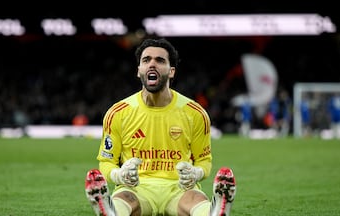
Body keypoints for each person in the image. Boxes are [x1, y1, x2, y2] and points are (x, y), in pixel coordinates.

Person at [84, 38, 236, 216]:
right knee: (124, 199)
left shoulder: (195, 113)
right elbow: (106, 162)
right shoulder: (118, 113)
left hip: (179, 188)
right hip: (136, 188)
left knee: (195, 199)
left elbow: (204, 161)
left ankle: (214, 212)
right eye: (146, 60)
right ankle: (110, 212)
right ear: (138, 70)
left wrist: (196, 173)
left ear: (171, 71)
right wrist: (119, 175)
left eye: (160, 60)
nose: (152, 64)